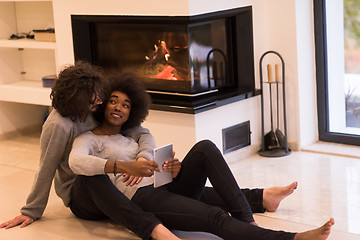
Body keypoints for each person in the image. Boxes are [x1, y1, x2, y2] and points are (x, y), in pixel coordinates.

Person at [68, 71, 335, 240]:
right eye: (113, 101)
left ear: (132, 112)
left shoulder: (134, 137)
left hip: (163, 186)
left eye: (126, 104)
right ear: (102, 106)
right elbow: (77, 162)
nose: (119, 107)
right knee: (213, 217)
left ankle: (247, 220)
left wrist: (171, 167)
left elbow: (148, 145)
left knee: (205, 147)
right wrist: (124, 167)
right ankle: (289, 239)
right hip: (142, 198)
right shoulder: (88, 139)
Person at [0, 62, 180, 240]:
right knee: (92, 177)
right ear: (77, 98)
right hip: (82, 191)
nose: (100, 101)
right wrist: (31, 210)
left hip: (112, 183)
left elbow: (141, 133)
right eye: (93, 98)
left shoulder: (94, 108)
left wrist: (143, 157)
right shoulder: (58, 125)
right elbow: (46, 167)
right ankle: (154, 231)